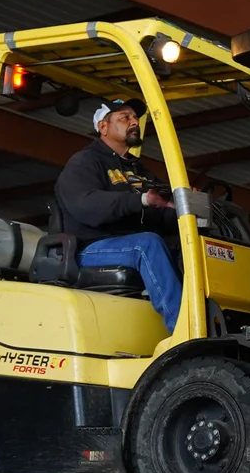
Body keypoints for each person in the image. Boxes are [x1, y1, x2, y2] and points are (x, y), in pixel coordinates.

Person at [53, 100, 183, 332]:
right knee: (148, 245)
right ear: (103, 127)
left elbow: (162, 215)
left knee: (186, 249)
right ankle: (183, 327)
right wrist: (141, 200)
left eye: (135, 118)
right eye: (124, 117)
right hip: (88, 248)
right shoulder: (85, 162)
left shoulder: (139, 172)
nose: (134, 122)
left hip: (127, 245)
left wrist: (180, 207)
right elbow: (87, 206)